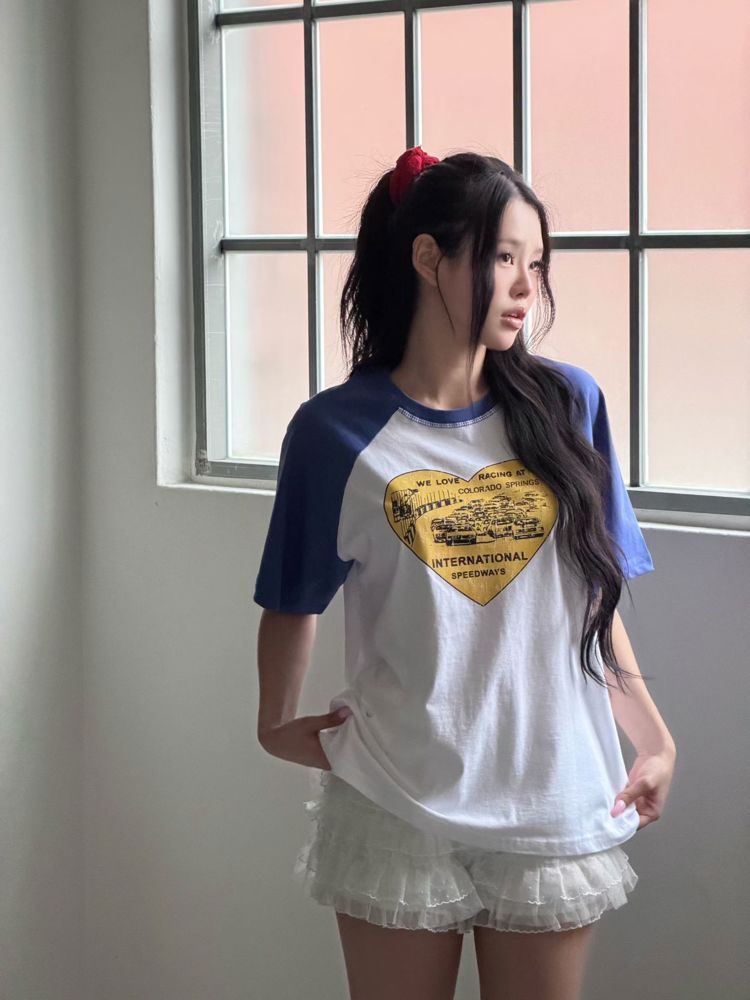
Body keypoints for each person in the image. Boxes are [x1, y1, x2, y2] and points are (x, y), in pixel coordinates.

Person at [254, 147, 677, 1000]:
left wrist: (655, 738)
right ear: (428, 258)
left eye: (536, 263)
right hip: (397, 796)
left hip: (551, 793)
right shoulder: (336, 432)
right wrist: (273, 724)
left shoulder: (569, 406)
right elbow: (292, 599)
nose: (526, 286)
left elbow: (590, 600)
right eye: (504, 257)